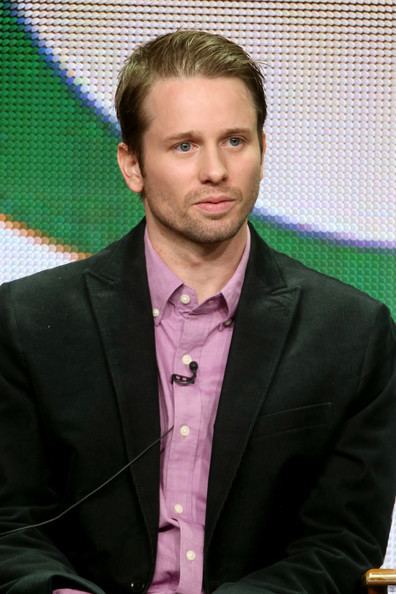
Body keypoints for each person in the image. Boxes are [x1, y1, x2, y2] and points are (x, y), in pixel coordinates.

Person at [0, 30, 395, 594]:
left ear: (263, 148)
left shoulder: (353, 334)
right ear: (132, 165)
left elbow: (340, 544)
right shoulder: (27, 322)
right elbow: (10, 525)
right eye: (184, 145)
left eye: (234, 141)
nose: (215, 170)